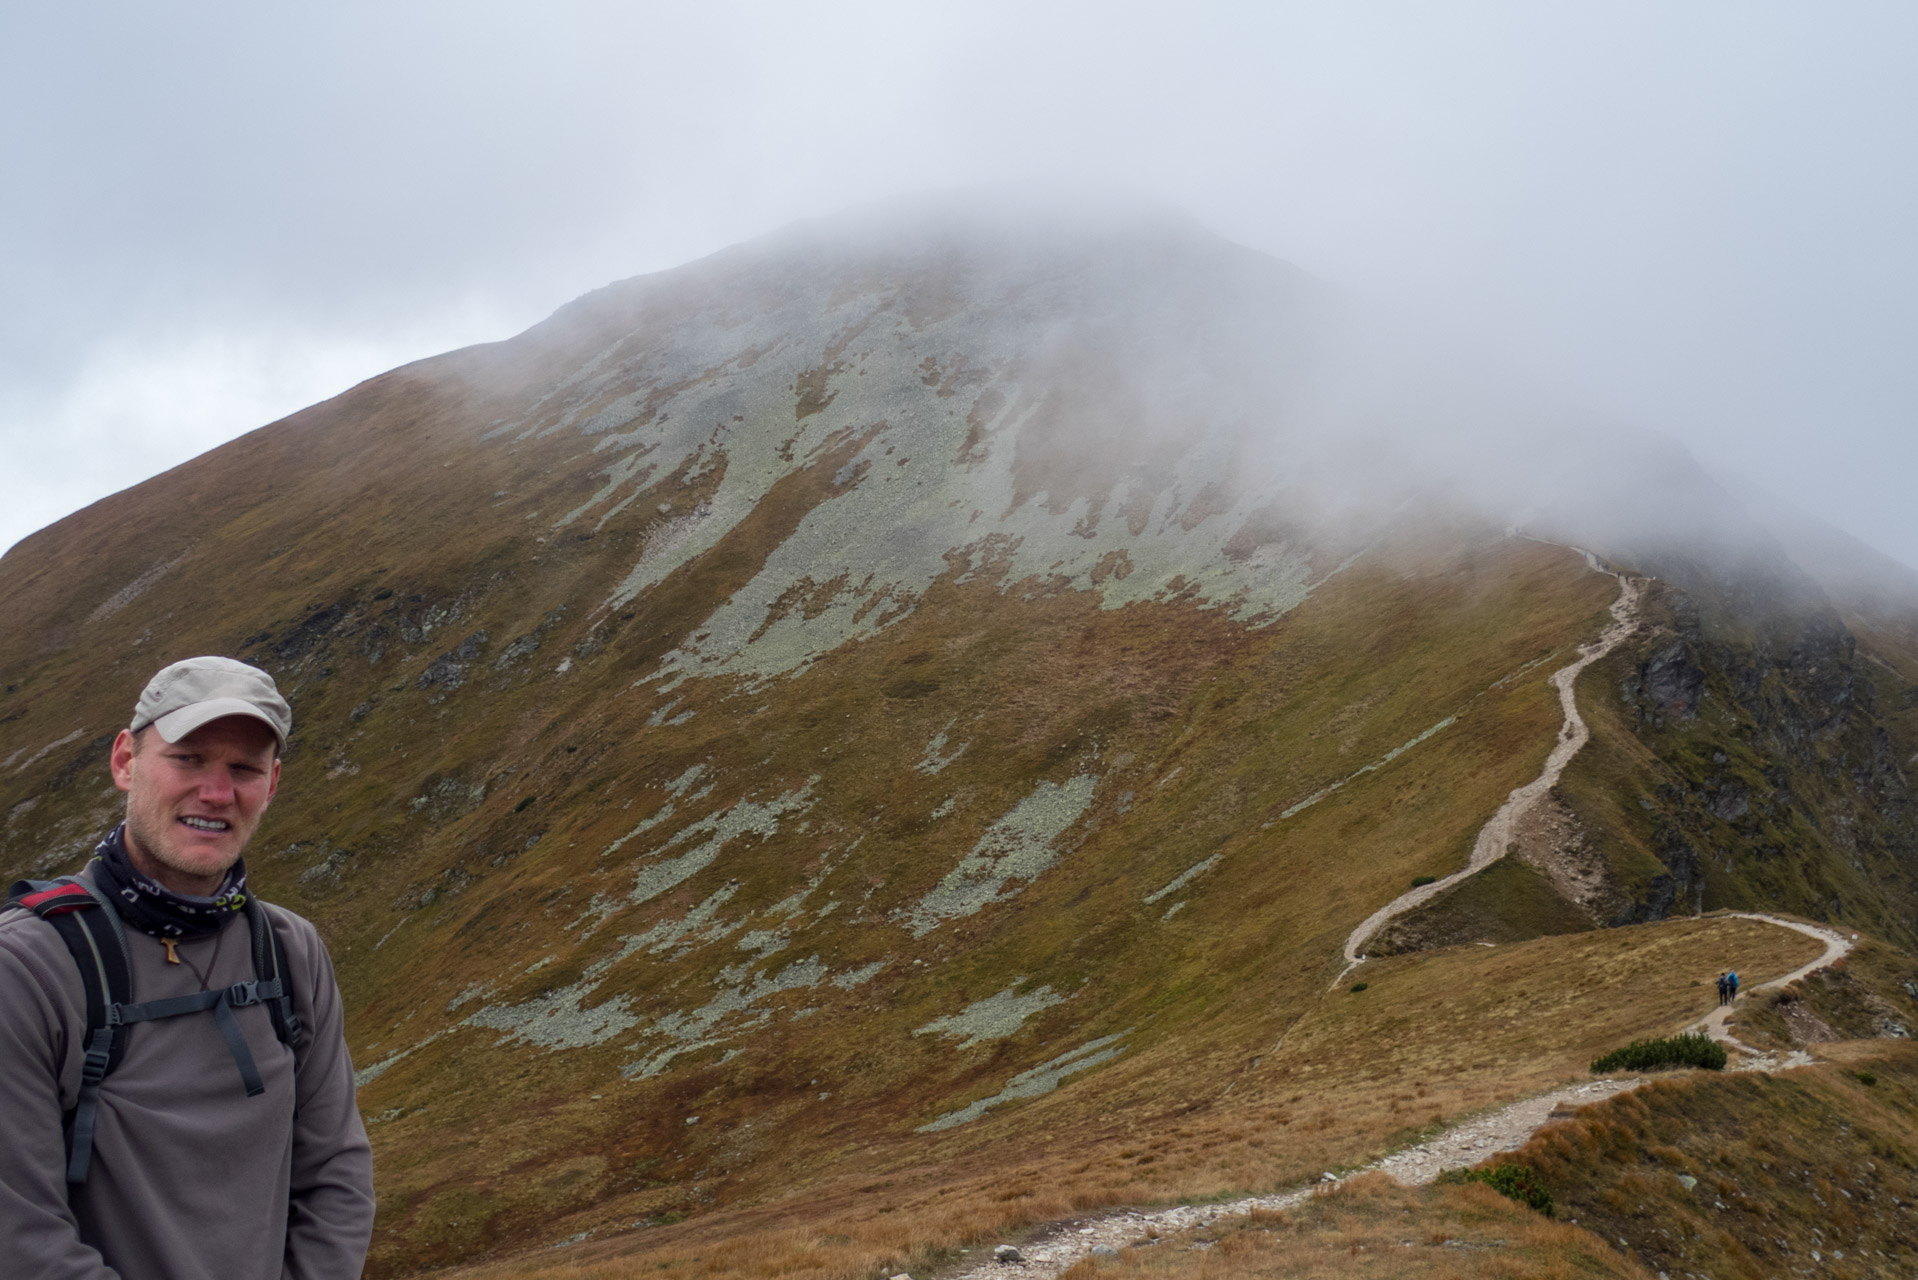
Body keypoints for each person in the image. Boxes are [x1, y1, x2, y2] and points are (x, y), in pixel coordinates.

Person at [0, 656, 375, 1280]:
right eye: (188, 758)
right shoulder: (27, 966)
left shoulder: (289, 951)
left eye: (244, 769)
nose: (217, 792)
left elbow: (336, 1175)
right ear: (126, 761)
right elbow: (21, 1237)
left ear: (271, 784)